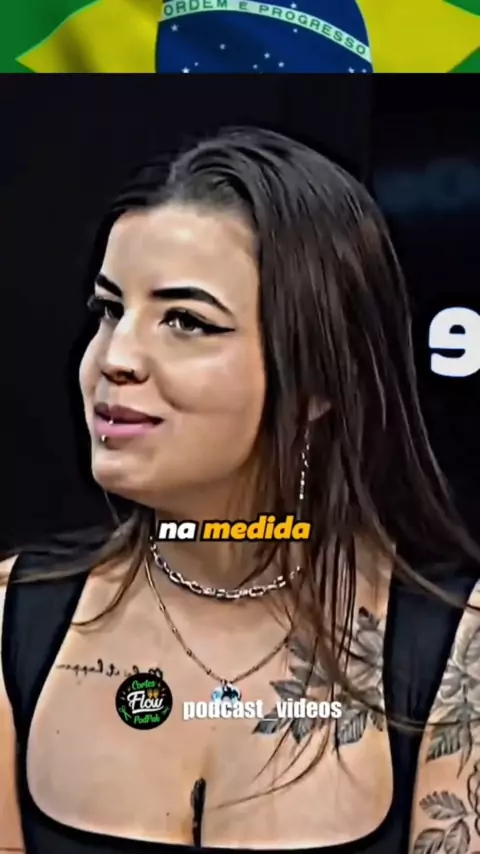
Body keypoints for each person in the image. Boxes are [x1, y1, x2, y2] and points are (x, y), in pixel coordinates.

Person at [1, 126, 480, 854]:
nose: (115, 358)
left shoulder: (456, 651)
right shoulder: (13, 621)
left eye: (186, 322)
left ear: (318, 380)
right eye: (109, 310)